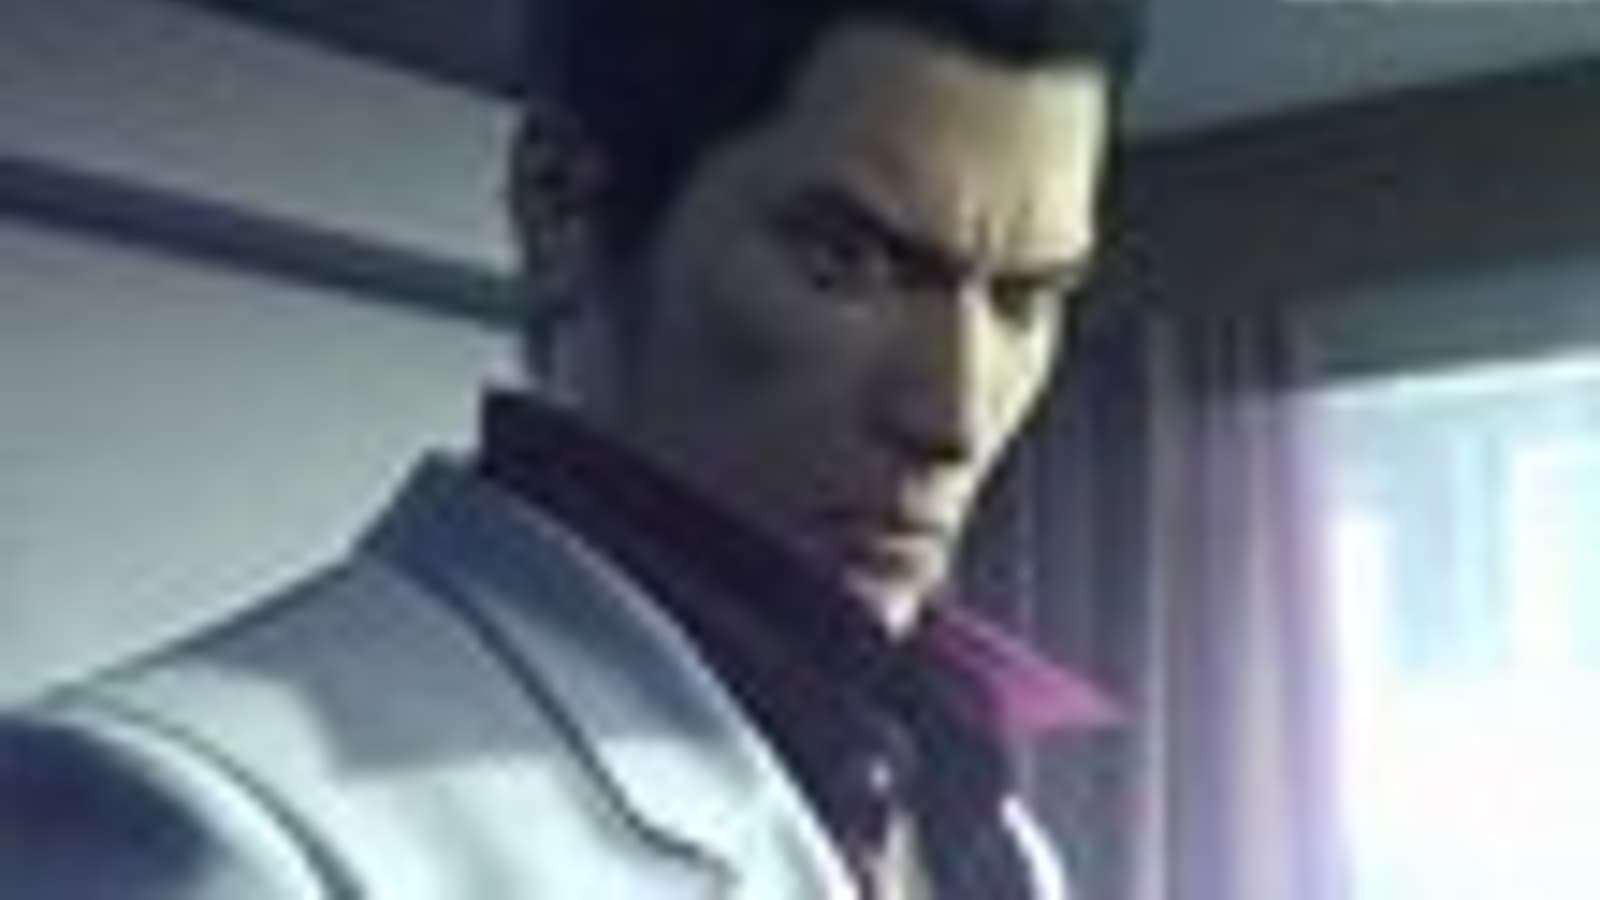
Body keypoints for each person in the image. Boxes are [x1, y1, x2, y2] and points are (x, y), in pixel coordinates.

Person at [0, 0, 1141, 896]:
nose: (953, 416)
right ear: (561, 206)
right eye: (845, 263)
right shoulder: (198, 813)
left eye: (1026, 298)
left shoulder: (978, 828)